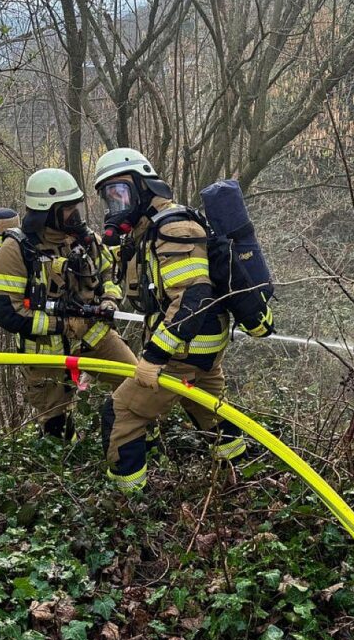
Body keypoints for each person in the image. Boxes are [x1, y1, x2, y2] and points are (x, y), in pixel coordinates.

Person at [92, 147, 247, 492]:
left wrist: (154, 357)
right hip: (199, 349)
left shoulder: (173, 227)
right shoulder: (152, 229)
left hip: (182, 352)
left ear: (142, 185)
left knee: (121, 413)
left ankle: (129, 500)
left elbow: (194, 297)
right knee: (212, 412)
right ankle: (241, 478)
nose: (116, 205)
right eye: (110, 198)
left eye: (120, 193)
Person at [0, 167, 136, 440]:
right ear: (48, 212)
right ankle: (65, 457)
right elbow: (5, 310)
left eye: (76, 206)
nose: (76, 214)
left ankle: (131, 441)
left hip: (93, 335)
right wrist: (62, 325)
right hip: (46, 351)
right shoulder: (16, 251)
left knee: (136, 383)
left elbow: (108, 272)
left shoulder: (84, 240)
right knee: (56, 425)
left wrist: (110, 299)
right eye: (68, 208)